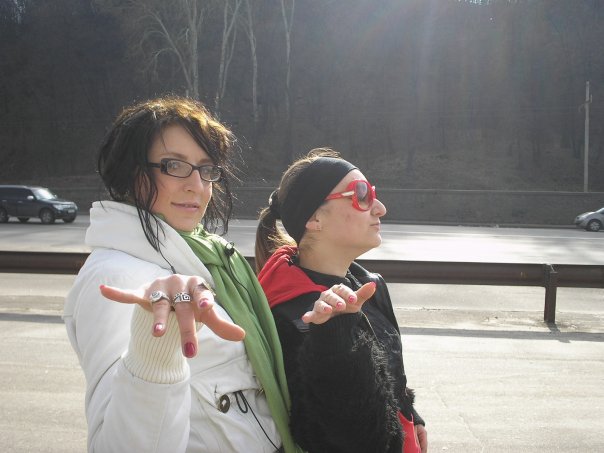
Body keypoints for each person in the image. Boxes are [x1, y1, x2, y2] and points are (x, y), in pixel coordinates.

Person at [64, 96, 302, 453]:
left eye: (206, 169)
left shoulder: (209, 259)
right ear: (130, 173)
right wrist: (154, 354)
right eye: (173, 165)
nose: (196, 185)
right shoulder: (117, 278)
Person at [254, 149, 428, 453]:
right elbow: (329, 438)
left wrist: (411, 415)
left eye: (373, 193)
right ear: (314, 218)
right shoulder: (293, 313)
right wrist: (333, 339)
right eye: (361, 195)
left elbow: (389, 371)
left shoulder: (369, 284)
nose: (380, 208)